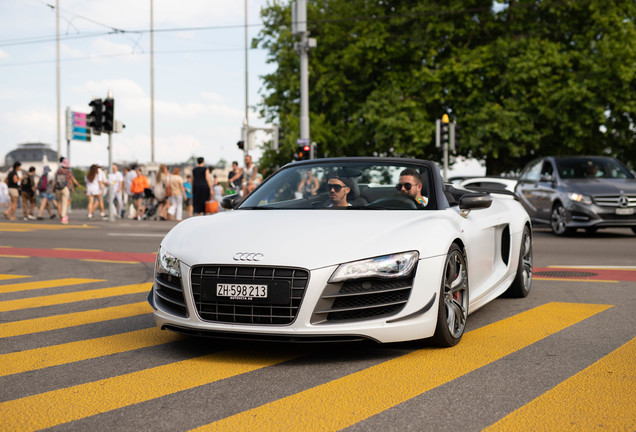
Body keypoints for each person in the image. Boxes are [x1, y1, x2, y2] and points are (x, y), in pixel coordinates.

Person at [54, 158, 81, 224]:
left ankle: (60, 215)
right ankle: (63, 217)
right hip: (65, 188)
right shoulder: (68, 171)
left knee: (59, 202)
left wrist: (53, 189)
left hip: (58, 188)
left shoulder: (58, 171)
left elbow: (54, 180)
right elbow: (72, 180)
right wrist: (78, 185)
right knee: (64, 202)